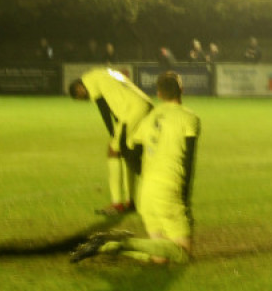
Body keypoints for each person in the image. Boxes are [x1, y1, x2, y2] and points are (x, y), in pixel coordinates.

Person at [71, 71, 201, 264]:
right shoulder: (190, 118)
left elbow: (130, 151)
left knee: (159, 258)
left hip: (146, 194)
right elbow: (188, 162)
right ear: (182, 90)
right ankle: (115, 243)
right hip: (169, 190)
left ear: (158, 94)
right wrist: (185, 199)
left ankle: (107, 246)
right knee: (183, 255)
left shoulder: (148, 121)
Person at [69, 68, 153, 215]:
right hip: (144, 104)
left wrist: (112, 133)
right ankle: (130, 201)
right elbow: (115, 97)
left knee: (113, 151)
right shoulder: (103, 72)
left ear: (79, 88)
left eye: (80, 97)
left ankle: (117, 204)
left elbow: (103, 107)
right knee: (126, 151)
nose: (85, 99)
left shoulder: (89, 80)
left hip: (132, 110)